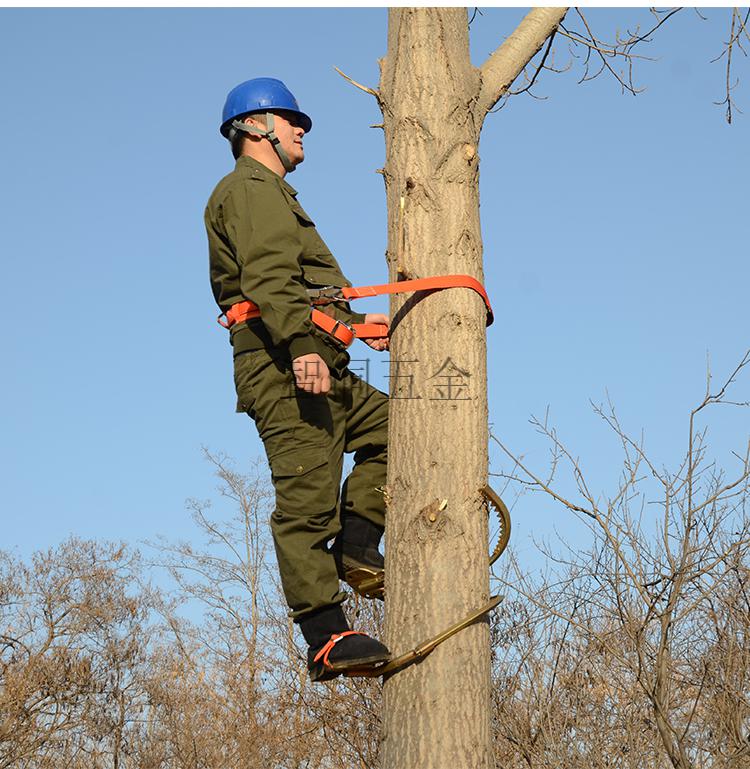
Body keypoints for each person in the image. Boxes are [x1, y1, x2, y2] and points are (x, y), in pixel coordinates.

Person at [204, 77, 390, 681]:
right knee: (307, 500)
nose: (301, 128)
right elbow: (269, 280)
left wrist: (356, 325)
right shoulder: (250, 189)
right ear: (254, 129)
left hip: (319, 360)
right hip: (286, 366)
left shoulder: (274, 194)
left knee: (399, 426)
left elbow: (305, 289)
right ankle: (324, 636)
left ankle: (358, 544)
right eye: (289, 119)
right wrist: (305, 347)